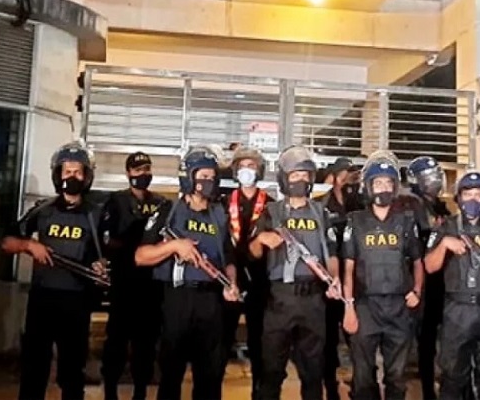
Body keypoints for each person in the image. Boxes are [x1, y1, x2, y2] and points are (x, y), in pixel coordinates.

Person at [2, 141, 107, 400]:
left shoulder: (97, 214)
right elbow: (6, 242)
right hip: (42, 299)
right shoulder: (42, 210)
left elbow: (110, 251)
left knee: (72, 373)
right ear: (58, 174)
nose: (72, 176)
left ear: (87, 176)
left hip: (77, 301)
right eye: (67, 171)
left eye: (77, 172)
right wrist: (29, 245)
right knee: (33, 369)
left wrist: (102, 265)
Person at [135, 146, 241, 400]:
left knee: (210, 376)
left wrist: (231, 283)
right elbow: (140, 256)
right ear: (189, 177)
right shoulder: (168, 211)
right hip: (178, 300)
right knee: (171, 373)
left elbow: (229, 258)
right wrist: (174, 246)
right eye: (203, 176)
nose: (208, 181)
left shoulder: (220, 214)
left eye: (212, 176)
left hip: (211, 301)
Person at [249, 145, 340, 400]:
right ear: (284, 178)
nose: (300, 179)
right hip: (280, 299)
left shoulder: (322, 213)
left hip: (314, 299)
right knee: (271, 371)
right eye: (295, 174)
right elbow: (253, 252)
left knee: (313, 373)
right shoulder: (271, 212)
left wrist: (334, 279)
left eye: (305, 175)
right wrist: (261, 239)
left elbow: (332, 253)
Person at [424, 171, 480, 400]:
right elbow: (429, 266)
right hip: (458, 311)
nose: (473, 199)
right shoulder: (446, 227)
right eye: (468, 194)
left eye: (478, 194)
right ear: (459, 197)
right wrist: (444, 244)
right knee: (453, 376)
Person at [341, 153, 424, 400]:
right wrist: (348, 307)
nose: (384, 188)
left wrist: (417, 291)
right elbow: (348, 268)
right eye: (378, 183)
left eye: (389, 183)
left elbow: (418, 262)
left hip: (398, 308)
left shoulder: (406, 221)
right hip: (366, 307)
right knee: (363, 377)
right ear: (368, 186)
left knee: (396, 377)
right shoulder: (355, 221)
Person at [101, 152, 165, 400]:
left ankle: (140, 392)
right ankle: (110, 391)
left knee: (146, 343)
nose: (143, 174)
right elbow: (107, 239)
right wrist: (133, 246)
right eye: (138, 170)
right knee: (116, 340)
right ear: (128, 173)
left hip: (151, 284)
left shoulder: (160, 202)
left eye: (147, 169)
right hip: (123, 282)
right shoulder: (116, 201)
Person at [396, 156, 452, 400]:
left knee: (434, 338)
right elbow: (417, 240)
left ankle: (433, 387)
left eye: (436, 176)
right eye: (429, 177)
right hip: (417, 279)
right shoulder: (408, 203)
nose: (435, 182)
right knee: (415, 340)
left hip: (439, 280)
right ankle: (425, 389)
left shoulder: (439, 206)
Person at [220, 146, 273, 399]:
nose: (247, 170)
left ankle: (258, 392)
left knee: (258, 341)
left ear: (259, 170)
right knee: (221, 339)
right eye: (242, 166)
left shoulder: (270, 204)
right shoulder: (223, 202)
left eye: (252, 166)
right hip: (229, 278)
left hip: (260, 279)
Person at [317, 157, 363, 399]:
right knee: (328, 338)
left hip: (355, 278)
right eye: (344, 172)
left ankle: (360, 384)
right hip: (330, 278)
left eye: (350, 173)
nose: (347, 177)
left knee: (357, 338)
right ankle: (331, 386)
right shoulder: (322, 203)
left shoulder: (358, 201)